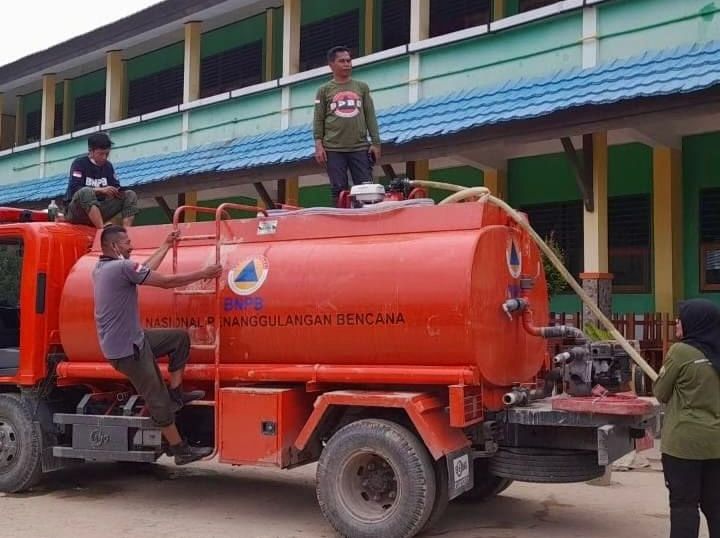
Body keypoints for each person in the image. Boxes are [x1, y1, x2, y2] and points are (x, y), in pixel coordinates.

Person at [93, 225, 223, 465]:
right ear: (113, 246)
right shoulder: (120, 267)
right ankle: (180, 449)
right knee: (156, 397)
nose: (131, 245)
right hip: (128, 349)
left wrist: (165, 245)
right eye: (126, 242)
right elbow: (164, 282)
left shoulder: (103, 268)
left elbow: (146, 269)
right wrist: (204, 273)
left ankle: (176, 394)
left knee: (179, 338)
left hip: (133, 339)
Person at [653, 298, 720, 538]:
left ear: (696, 322)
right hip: (716, 445)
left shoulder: (681, 352)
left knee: (684, 506)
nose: (677, 322)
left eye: (682, 318)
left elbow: (660, 393)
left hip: (683, 445)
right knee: (716, 506)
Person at [313, 46, 382, 207]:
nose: (347, 64)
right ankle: (340, 223)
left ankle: (365, 222)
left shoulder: (362, 87)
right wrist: (318, 144)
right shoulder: (323, 91)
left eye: (349, 61)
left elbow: (370, 115)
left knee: (365, 189)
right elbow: (318, 118)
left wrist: (376, 142)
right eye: (342, 61)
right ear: (331, 64)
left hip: (359, 146)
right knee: (339, 189)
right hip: (333, 148)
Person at [64, 132, 139, 229]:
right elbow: (75, 189)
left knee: (130, 194)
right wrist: (101, 190)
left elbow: (115, 187)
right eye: (101, 154)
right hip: (76, 212)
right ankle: (101, 230)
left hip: (99, 208)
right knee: (85, 191)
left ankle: (127, 232)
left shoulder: (108, 166)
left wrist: (117, 191)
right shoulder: (79, 164)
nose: (104, 157)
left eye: (107, 154)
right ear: (91, 152)